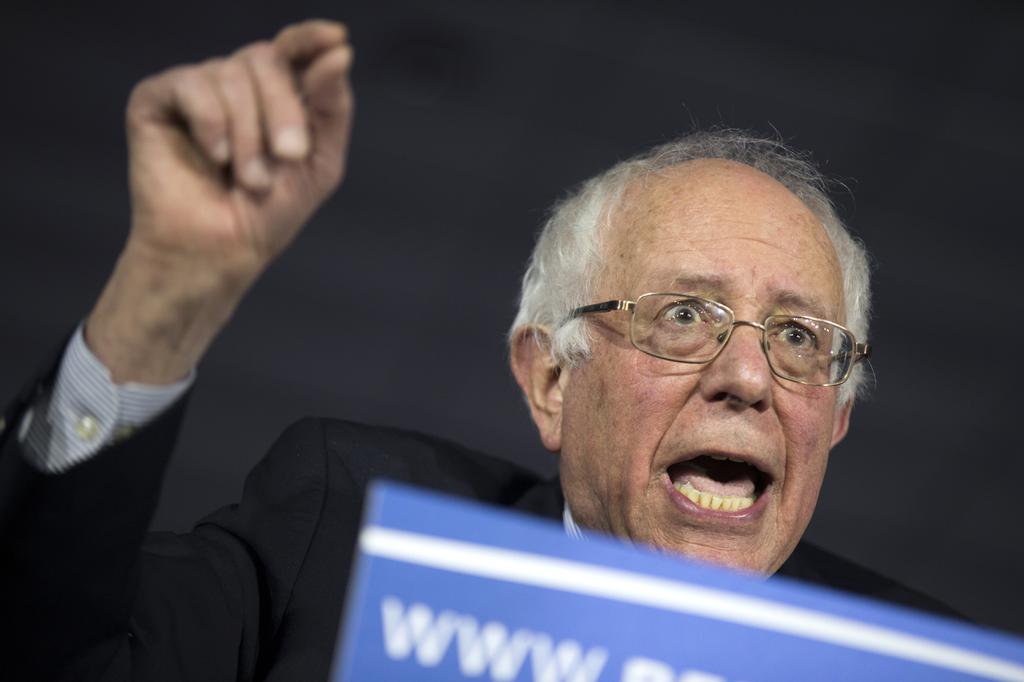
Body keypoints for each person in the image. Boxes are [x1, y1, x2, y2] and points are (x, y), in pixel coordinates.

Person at [0, 19, 958, 681]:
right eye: (683, 316)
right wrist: (163, 300)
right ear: (549, 377)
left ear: (832, 419)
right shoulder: (346, 532)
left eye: (797, 338)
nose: (747, 375)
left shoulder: (917, 666)